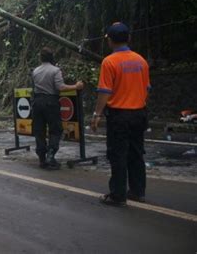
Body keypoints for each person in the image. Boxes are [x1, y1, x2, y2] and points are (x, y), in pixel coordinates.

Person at [91, 22, 150, 207]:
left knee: (118, 154)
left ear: (109, 40)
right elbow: (147, 88)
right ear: (128, 38)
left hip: (119, 116)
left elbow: (104, 91)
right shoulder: (141, 60)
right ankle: (138, 191)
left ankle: (117, 194)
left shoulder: (109, 62)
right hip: (139, 114)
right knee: (136, 153)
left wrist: (97, 114)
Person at [32, 47, 84, 170]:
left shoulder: (35, 71)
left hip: (37, 102)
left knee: (39, 130)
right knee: (55, 129)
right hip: (51, 102)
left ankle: (42, 159)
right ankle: (51, 155)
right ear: (52, 58)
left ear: (40, 58)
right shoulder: (55, 70)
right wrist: (76, 86)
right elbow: (60, 87)